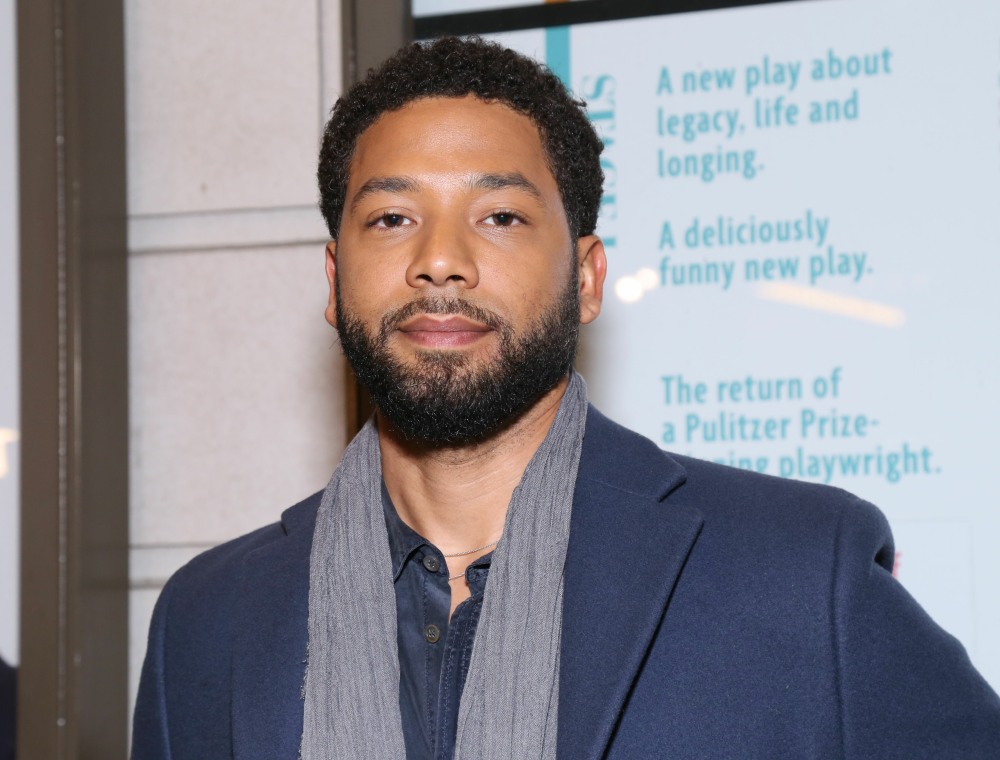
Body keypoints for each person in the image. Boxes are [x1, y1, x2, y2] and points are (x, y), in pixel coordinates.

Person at [131, 36, 1000, 759]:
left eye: (499, 216)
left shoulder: (802, 574)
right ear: (333, 278)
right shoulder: (209, 621)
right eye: (392, 218)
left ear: (585, 278)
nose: (440, 259)